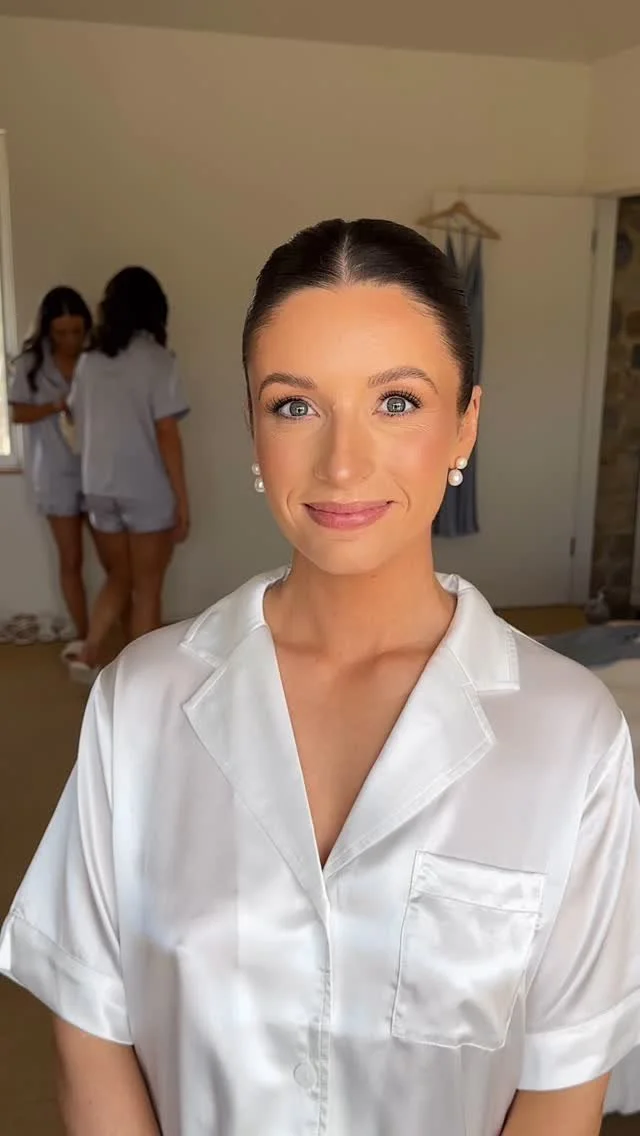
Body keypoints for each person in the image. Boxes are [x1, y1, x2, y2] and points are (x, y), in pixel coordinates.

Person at [1, 219, 640, 1136]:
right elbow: (91, 1029)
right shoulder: (140, 705)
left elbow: (564, 1078)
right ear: (253, 429)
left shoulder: (570, 735)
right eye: (295, 406)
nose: (342, 464)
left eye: (397, 401)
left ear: (465, 423)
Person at [67, 266, 190, 678]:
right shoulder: (158, 360)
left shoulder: (88, 362)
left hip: (98, 486)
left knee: (119, 576)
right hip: (145, 487)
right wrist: (182, 501)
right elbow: (167, 432)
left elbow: (75, 419)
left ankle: (88, 653)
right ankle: (142, 680)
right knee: (148, 586)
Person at [9, 286, 94, 659]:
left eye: (76, 331)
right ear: (48, 330)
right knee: (71, 560)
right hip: (55, 475)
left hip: (99, 472)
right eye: (61, 332)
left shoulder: (96, 357)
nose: (70, 340)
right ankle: (86, 638)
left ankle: (114, 634)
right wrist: (55, 406)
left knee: (117, 563)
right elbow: (17, 412)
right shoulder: (31, 364)